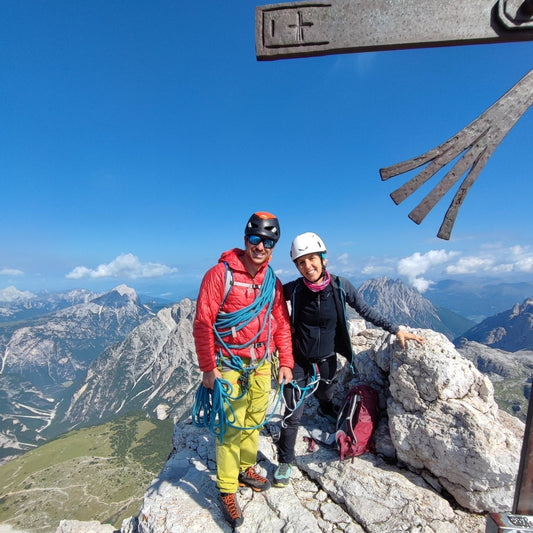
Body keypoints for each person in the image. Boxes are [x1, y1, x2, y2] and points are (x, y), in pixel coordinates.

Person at [273, 232, 424, 488]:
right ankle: (285, 461)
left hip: (328, 358)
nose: (307, 266)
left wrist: (395, 329)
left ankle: (325, 406)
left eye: (312, 259)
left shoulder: (340, 287)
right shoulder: (295, 289)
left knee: (326, 393)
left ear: (323, 259)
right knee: (292, 414)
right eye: (301, 262)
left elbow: (366, 310)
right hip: (298, 359)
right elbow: (269, 299)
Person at [193, 211, 294, 528]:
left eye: (268, 241)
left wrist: (287, 362)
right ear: (245, 239)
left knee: (253, 422)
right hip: (231, 365)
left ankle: (245, 467)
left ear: (273, 246)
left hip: (262, 363)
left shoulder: (272, 283)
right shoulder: (218, 275)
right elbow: (203, 324)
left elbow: (281, 325)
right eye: (255, 239)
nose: (260, 246)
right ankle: (225, 488)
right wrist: (209, 369)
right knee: (230, 428)